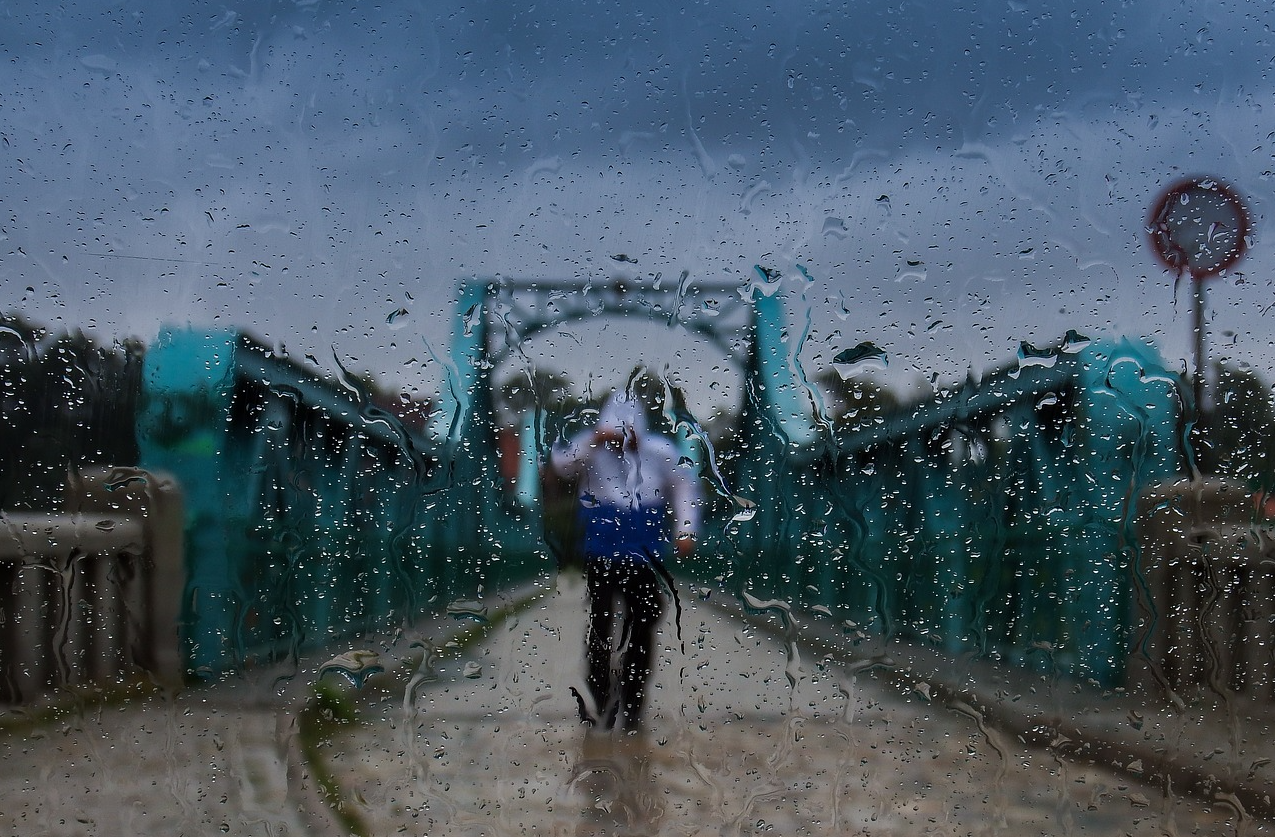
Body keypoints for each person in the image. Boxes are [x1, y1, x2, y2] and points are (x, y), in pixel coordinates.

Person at [549, 384, 701, 731]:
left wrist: (686, 530)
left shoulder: (660, 452)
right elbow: (561, 466)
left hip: (645, 554)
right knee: (602, 623)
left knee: (644, 621)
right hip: (601, 552)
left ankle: (634, 699)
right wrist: (594, 441)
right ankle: (601, 694)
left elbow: (684, 487)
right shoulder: (591, 450)